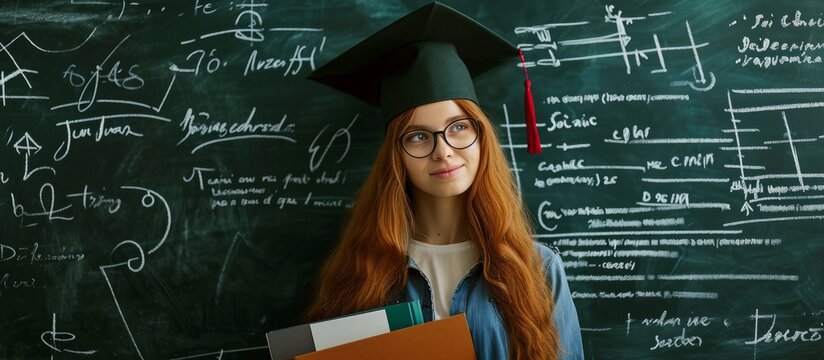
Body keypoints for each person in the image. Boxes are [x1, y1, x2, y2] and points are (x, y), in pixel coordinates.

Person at [305, 3, 583, 359]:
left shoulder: (538, 270)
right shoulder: (361, 273)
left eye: (459, 127)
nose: (444, 151)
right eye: (419, 136)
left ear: (481, 137)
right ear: (397, 155)